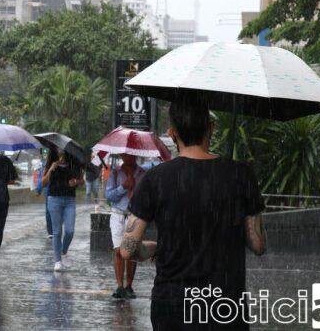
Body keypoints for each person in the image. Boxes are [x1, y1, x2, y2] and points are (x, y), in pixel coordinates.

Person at [121, 97, 266, 330]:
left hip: (173, 305)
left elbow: (127, 250)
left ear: (172, 133)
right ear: (211, 128)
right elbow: (258, 245)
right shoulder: (241, 175)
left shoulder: (155, 179)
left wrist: (156, 247)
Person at [105, 153, 146, 299]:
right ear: (122, 155)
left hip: (134, 216)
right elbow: (109, 196)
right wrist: (124, 187)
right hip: (117, 214)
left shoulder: (143, 173)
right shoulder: (115, 172)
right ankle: (119, 286)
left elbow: (148, 195)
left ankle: (129, 285)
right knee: (118, 251)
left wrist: (136, 193)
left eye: (131, 155)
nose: (128, 157)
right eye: (125, 155)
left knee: (131, 252)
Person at [42, 149, 84, 272]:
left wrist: (76, 182)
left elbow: (82, 181)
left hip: (69, 200)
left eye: (61, 148)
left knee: (70, 230)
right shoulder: (51, 163)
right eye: (57, 147)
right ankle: (57, 261)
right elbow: (43, 183)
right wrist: (51, 169)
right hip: (54, 199)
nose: (59, 150)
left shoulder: (73, 163)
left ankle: (63, 252)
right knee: (57, 232)